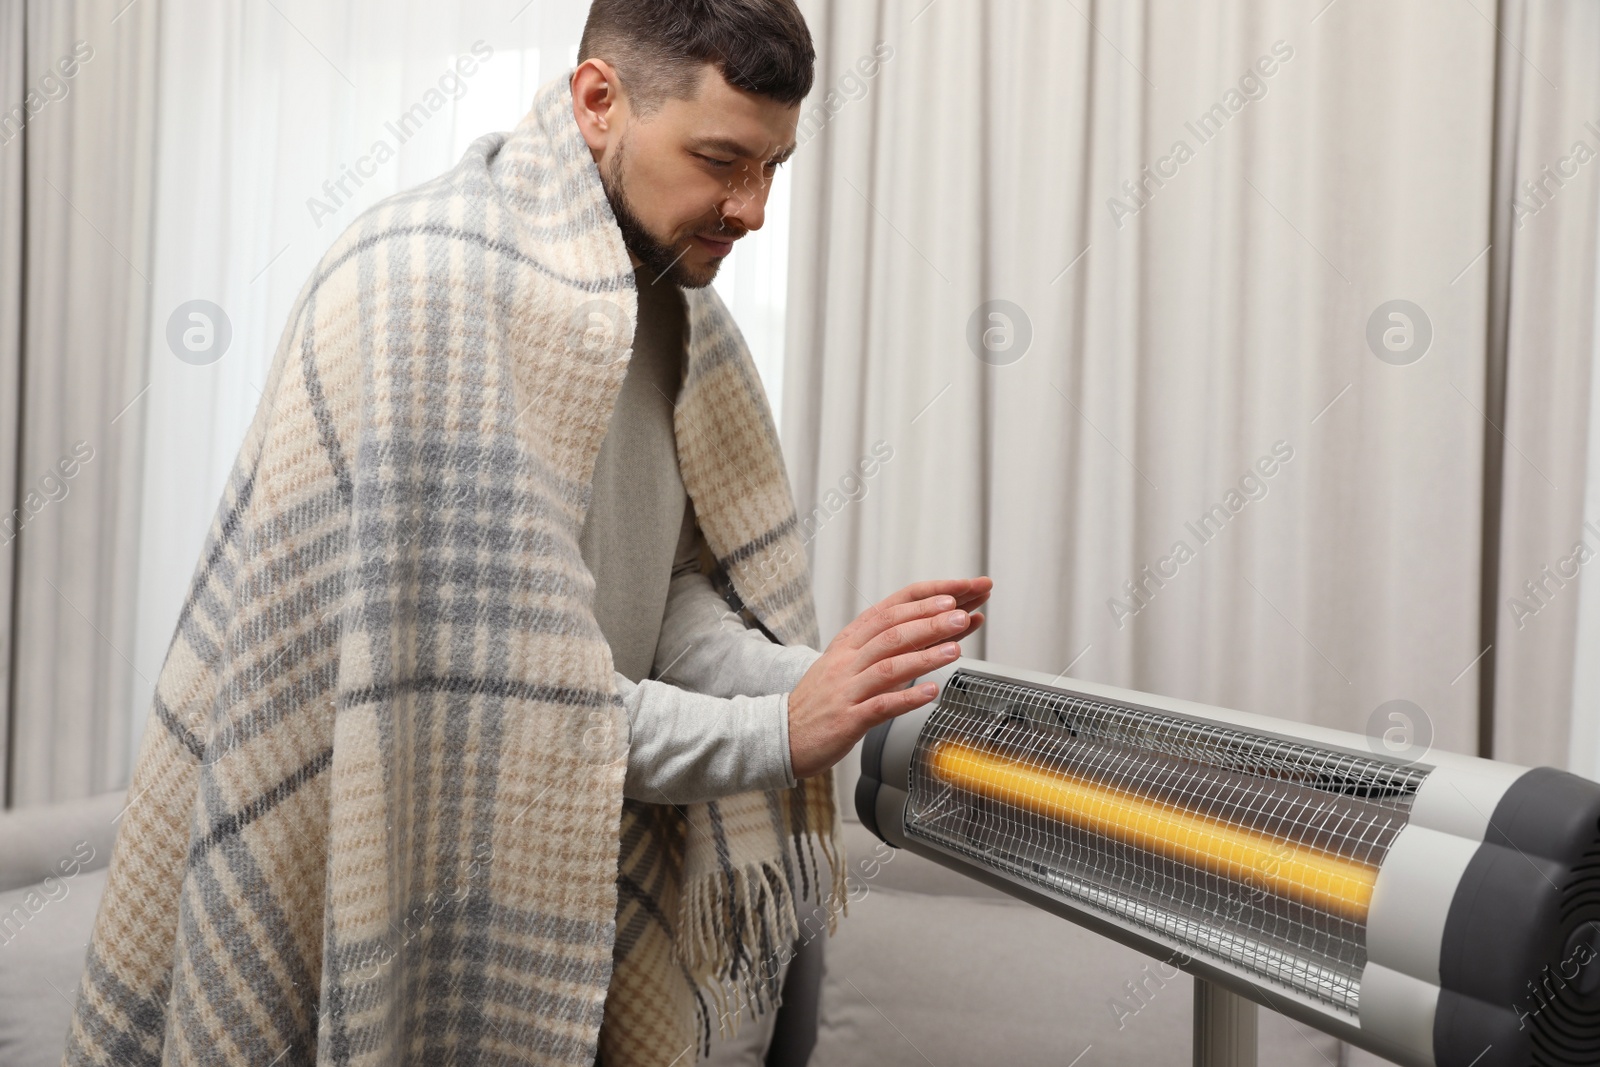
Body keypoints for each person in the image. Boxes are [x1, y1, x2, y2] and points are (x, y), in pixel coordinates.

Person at [63, 2, 989, 1065]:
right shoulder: (439, 288)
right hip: (391, 840)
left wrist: (819, 681)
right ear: (598, 102)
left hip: (562, 872)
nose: (753, 208)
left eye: (773, 166)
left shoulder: (670, 311)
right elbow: (529, 713)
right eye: (722, 160)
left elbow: (662, 591)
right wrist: (781, 731)